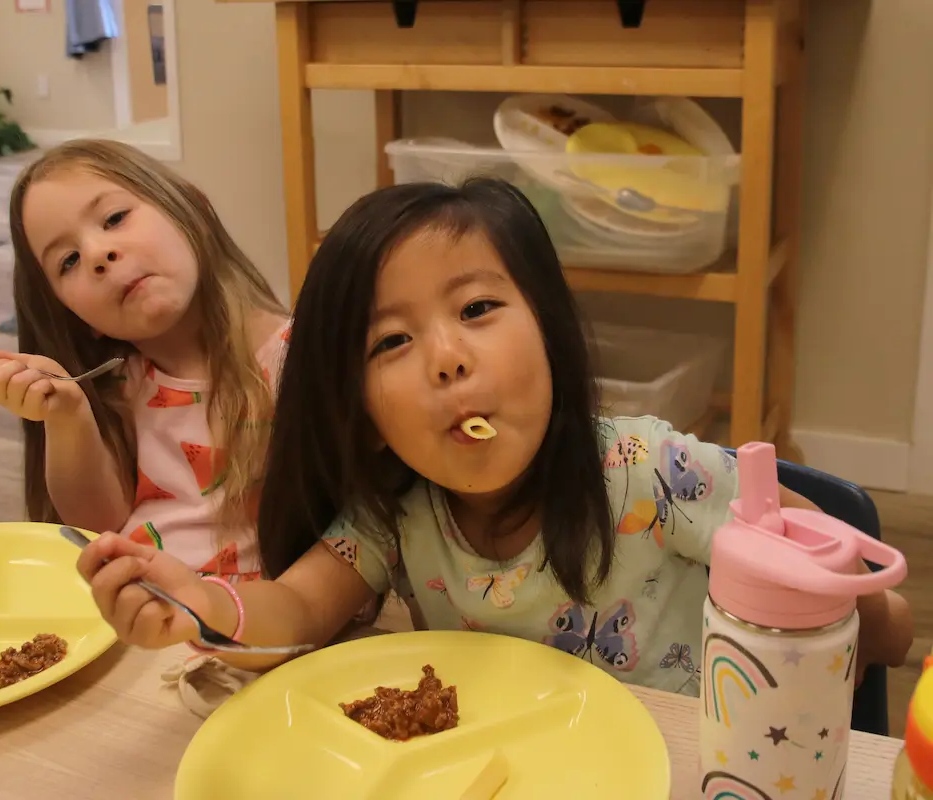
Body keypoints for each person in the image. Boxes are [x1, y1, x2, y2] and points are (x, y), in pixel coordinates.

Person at [75, 178, 913, 694]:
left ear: (548, 334)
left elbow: (882, 624)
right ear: (363, 418)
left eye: (477, 310)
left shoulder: (654, 472)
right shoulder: (390, 513)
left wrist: (841, 609)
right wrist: (199, 603)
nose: (446, 360)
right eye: (390, 343)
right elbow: (292, 605)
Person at [0, 139, 289, 582]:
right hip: (137, 619)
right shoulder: (122, 387)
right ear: (78, 319)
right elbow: (95, 525)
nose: (97, 255)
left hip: (262, 628)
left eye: (114, 218)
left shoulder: (300, 356)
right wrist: (68, 416)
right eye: (68, 261)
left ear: (193, 210)